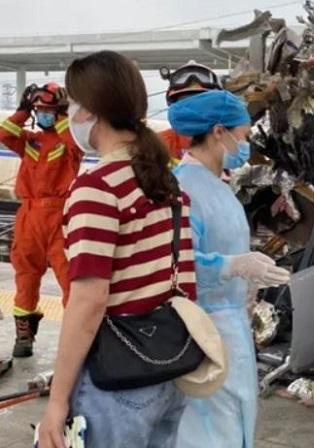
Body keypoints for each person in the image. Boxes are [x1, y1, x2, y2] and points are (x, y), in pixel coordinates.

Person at [37, 51, 197, 448]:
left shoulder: (98, 187)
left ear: (90, 110)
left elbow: (88, 303)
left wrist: (57, 400)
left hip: (118, 381)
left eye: (72, 104)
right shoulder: (165, 181)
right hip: (168, 370)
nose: (68, 114)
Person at [169, 90, 291, 447]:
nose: (246, 144)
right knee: (209, 431)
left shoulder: (217, 186)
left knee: (235, 421)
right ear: (218, 132)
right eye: (244, 135)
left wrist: (249, 280)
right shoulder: (185, 188)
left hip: (231, 325)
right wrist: (234, 265)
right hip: (202, 331)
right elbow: (178, 262)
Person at [0, 81, 80, 357]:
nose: (43, 114)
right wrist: (22, 111)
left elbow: (75, 143)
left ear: (59, 111)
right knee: (25, 275)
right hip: (29, 215)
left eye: (49, 109)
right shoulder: (29, 140)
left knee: (70, 278)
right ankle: (24, 337)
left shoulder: (70, 141)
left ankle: (75, 340)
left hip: (60, 216)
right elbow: (4, 133)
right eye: (39, 110)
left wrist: (62, 118)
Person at [159, 61, 223, 161]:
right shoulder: (159, 144)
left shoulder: (229, 144)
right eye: (186, 102)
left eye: (202, 102)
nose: (193, 110)